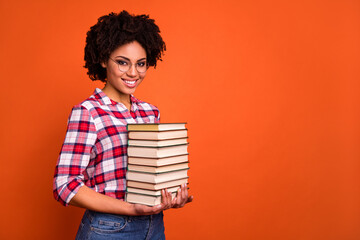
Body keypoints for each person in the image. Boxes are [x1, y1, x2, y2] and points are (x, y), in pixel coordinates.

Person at [53, 10, 193, 239]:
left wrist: (170, 197)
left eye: (141, 64)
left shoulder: (150, 113)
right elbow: (64, 184)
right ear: (102, 59)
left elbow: (154, 176)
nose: (133, 73)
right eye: (122, 62)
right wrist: (131, 209)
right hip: (109, 228)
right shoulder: (88, 113)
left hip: (154, 226)